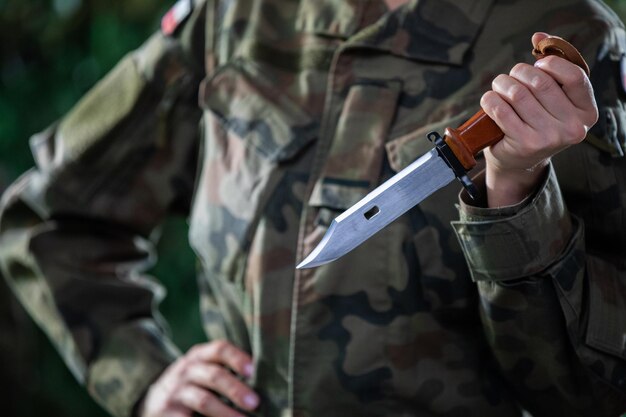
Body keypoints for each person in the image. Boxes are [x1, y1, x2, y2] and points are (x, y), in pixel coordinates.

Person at [1, 0, 625, 416]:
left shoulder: (567, 49)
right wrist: (141, 380)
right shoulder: (232, 16)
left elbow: (586, 390)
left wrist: (515, 187)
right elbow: (49, 218)